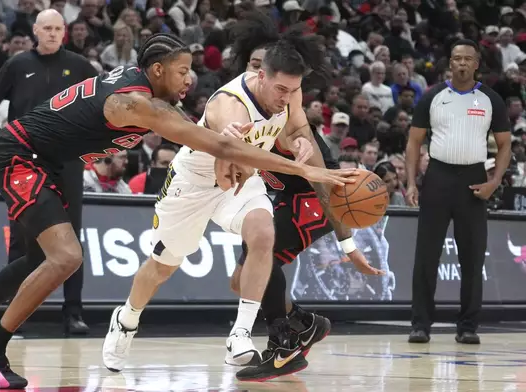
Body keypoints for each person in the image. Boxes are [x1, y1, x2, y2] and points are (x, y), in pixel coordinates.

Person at [0, 32, 356, 389]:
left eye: (191, 69)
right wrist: (301, 167)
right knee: (66, 257)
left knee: (42, 257)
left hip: (54, 160)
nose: (189, 78)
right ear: (156, 71)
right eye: (181, 71)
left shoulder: (153, 93)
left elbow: (223, 137)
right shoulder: (138, 104)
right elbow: (221, 143)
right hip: (21, 154)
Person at [101, 13, 358, 373]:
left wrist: (300, 142)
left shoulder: (290, 91)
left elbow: (298, 126)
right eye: (280, 90)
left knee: (263, 234)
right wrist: (244, 142)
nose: (286, 98)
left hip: (239, 182)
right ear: (260, 76)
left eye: (292, 91)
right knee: (161, 267)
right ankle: (126, 318)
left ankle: (240, 334)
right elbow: (229, 148)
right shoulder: (229, 103)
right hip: (194, 182)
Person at [224, 18, 383, 381]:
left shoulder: (289, 115)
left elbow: (324, 186)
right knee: (240, 281)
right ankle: (304, 323)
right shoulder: (237, 103)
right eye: (251, 65)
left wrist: (348, 244)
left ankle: (284, 344)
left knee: (259, 266)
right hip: (279, 196)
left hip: (314, 197)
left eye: (262, 67)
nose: (257, 73)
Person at [0, 9, 97, 334]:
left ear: (64, 32)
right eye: (47, 28)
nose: (54, 33)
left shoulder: (81, 66)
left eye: (59, 28)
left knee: (73, 240)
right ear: (35, 31)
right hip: (24, 161)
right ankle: (14, 315)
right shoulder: (18, 64)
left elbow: (98, 109)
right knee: (22, 241)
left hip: (69, 162)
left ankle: (73, 312)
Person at [405, 39, 511, 345]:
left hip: (474, 179)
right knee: (426, 256)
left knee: (472, 257)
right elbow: (414, 142)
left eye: (467, 59)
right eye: (456, 59)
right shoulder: (433, 97)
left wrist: (494, 182)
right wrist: (412, 182)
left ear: (476, 63)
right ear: (449, 63)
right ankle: (420, 324)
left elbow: (505, 146)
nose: (461, 63)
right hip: (438, 176)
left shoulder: (491, 99)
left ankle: (468, 326)